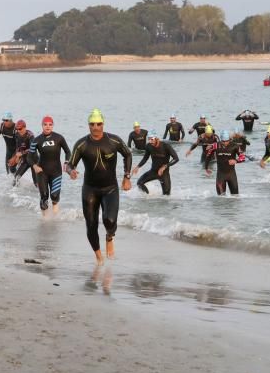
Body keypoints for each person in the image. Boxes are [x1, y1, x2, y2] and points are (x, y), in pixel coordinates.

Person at [66, 109, 132, 265]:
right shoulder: (82, 144)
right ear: (88, 125)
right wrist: (71, 171)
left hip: (110, 188)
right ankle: (99, 258)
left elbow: (128, 154)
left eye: (99, 124)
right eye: (92, 124)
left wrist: (127, 177)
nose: (96, 127)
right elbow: (69, 164)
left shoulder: (113, 140)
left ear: (103, 124)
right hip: (90, 189)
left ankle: (109, 236)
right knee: (91, 226)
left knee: (109, 220)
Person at [26, 116, 70, 214]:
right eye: (45, 124)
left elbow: (68, 152)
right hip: (42, 172)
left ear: (53, 126)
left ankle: (55, 219)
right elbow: (29, 157)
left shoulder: (59, 138)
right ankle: (45, 223)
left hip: (56, 172)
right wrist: (34, 166)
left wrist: (66, 162)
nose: (48, 127)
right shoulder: (36, 140)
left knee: (54, 196)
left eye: (50, 124)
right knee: (44, 199)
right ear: (42, 126)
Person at [133, 131, 178, 195]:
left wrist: (164, 166)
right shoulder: (149, 146)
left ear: (156, 138)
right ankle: (147, 197)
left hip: (164, 173)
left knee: (166, 196)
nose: (150, 141)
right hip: (153, 171)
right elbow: (145, 158)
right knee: (139, 183)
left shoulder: (166, 146)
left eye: (152, 139)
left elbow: (176, 158)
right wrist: (138, 167)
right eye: (148, 139)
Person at [211, 130, 241, 195]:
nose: (225, 143)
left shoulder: (235, 146)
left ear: (229, 139)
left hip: (232, 175)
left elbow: (243, 157)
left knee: (235, 197)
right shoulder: (215, 145)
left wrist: (236, 160)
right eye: (223, 141)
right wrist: (206, 167)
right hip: (220, 176)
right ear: (221, 140)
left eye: (227, 141)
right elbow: (208, 155)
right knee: (221, 199)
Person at [10, 120, 36, 187]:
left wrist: (21, 153)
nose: (18, 130)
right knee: (15, 179)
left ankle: (39, 196)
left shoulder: (30, 135)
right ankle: (15, 195)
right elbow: (18, 147)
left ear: (25, 127)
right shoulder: (17, 135)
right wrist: (17, 157)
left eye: (20, 129)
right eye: (17, 129)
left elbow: (32, 149)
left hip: (34, 160)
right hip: (25, 160)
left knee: (36, 182)